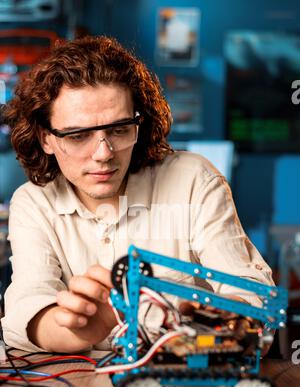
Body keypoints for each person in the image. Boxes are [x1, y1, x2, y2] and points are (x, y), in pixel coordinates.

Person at [1, 35, 274, 353]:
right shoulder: (34, 203)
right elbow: (27, 308)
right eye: (78, 135)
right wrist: (80, 330)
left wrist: (215, 320)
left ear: (139, 125)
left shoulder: (192, 180)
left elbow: (252, 294)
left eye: (119, 130)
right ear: (46, 138)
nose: (104, 154)